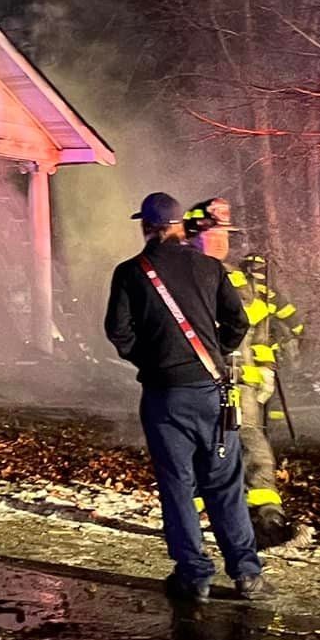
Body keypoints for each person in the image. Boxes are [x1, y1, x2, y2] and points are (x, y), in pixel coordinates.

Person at [105, 192, 267, 604]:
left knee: (177, 485)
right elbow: (239, 322)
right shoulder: (210, 267)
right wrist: (218, 352)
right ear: (180, 225)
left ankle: (195, 577)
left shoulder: (130, 272)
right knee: (225, 484)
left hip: (164, 397)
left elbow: (119, 332)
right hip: (213, 393)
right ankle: (247, 574)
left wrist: (154, 361)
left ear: (145, 226)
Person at [187, 197, 305, 547]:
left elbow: (259, 328)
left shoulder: (238, 278)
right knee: (201, 448)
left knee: (254, 445)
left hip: (243, 383)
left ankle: (267, 517)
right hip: (199, 381)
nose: (223, 239)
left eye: (226, 232)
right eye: (215, 232)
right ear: (195, 233)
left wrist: (265, 367)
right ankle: (192, 517)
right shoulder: (183, 274)